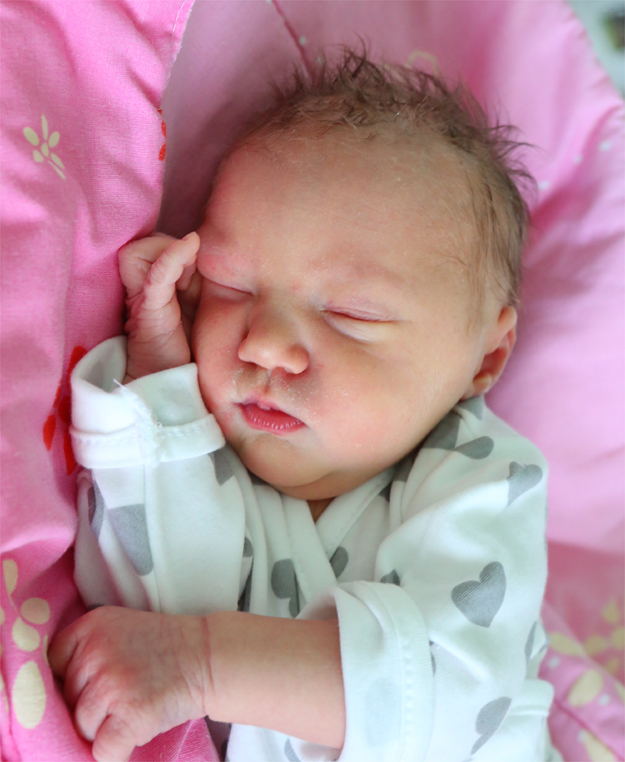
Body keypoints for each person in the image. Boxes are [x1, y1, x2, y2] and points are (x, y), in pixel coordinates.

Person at [50, 51, 559, 762]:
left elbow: (449, 695)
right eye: (230, 287)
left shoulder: (479, 477)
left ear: (484, 358)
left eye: (350, 314)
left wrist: (202, 665)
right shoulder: (212, 448)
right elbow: (154, 617)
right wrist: (160, 379)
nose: (263, 345)